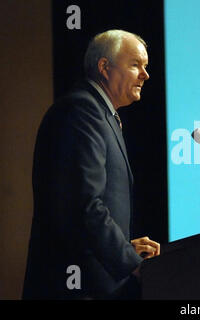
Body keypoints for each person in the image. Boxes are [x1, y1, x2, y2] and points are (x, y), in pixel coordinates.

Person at [23, 30, 160, 299]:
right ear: (104, 67)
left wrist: (123, 246)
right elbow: (84, 206)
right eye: (135, 65)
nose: (145, 75)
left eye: (145, 67)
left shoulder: (101, 114)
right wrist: (132, 264)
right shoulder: (82, 112)